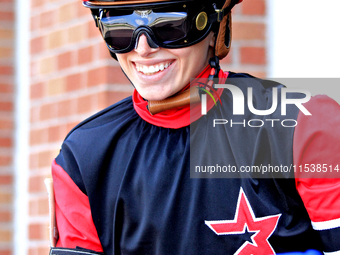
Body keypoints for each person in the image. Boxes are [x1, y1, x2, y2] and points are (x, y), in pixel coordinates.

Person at [49, 0, 340, 254]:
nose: (143, 48)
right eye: (120, 28)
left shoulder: (305, 125)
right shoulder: (83, 156)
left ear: (215, 27)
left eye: (170, 24)